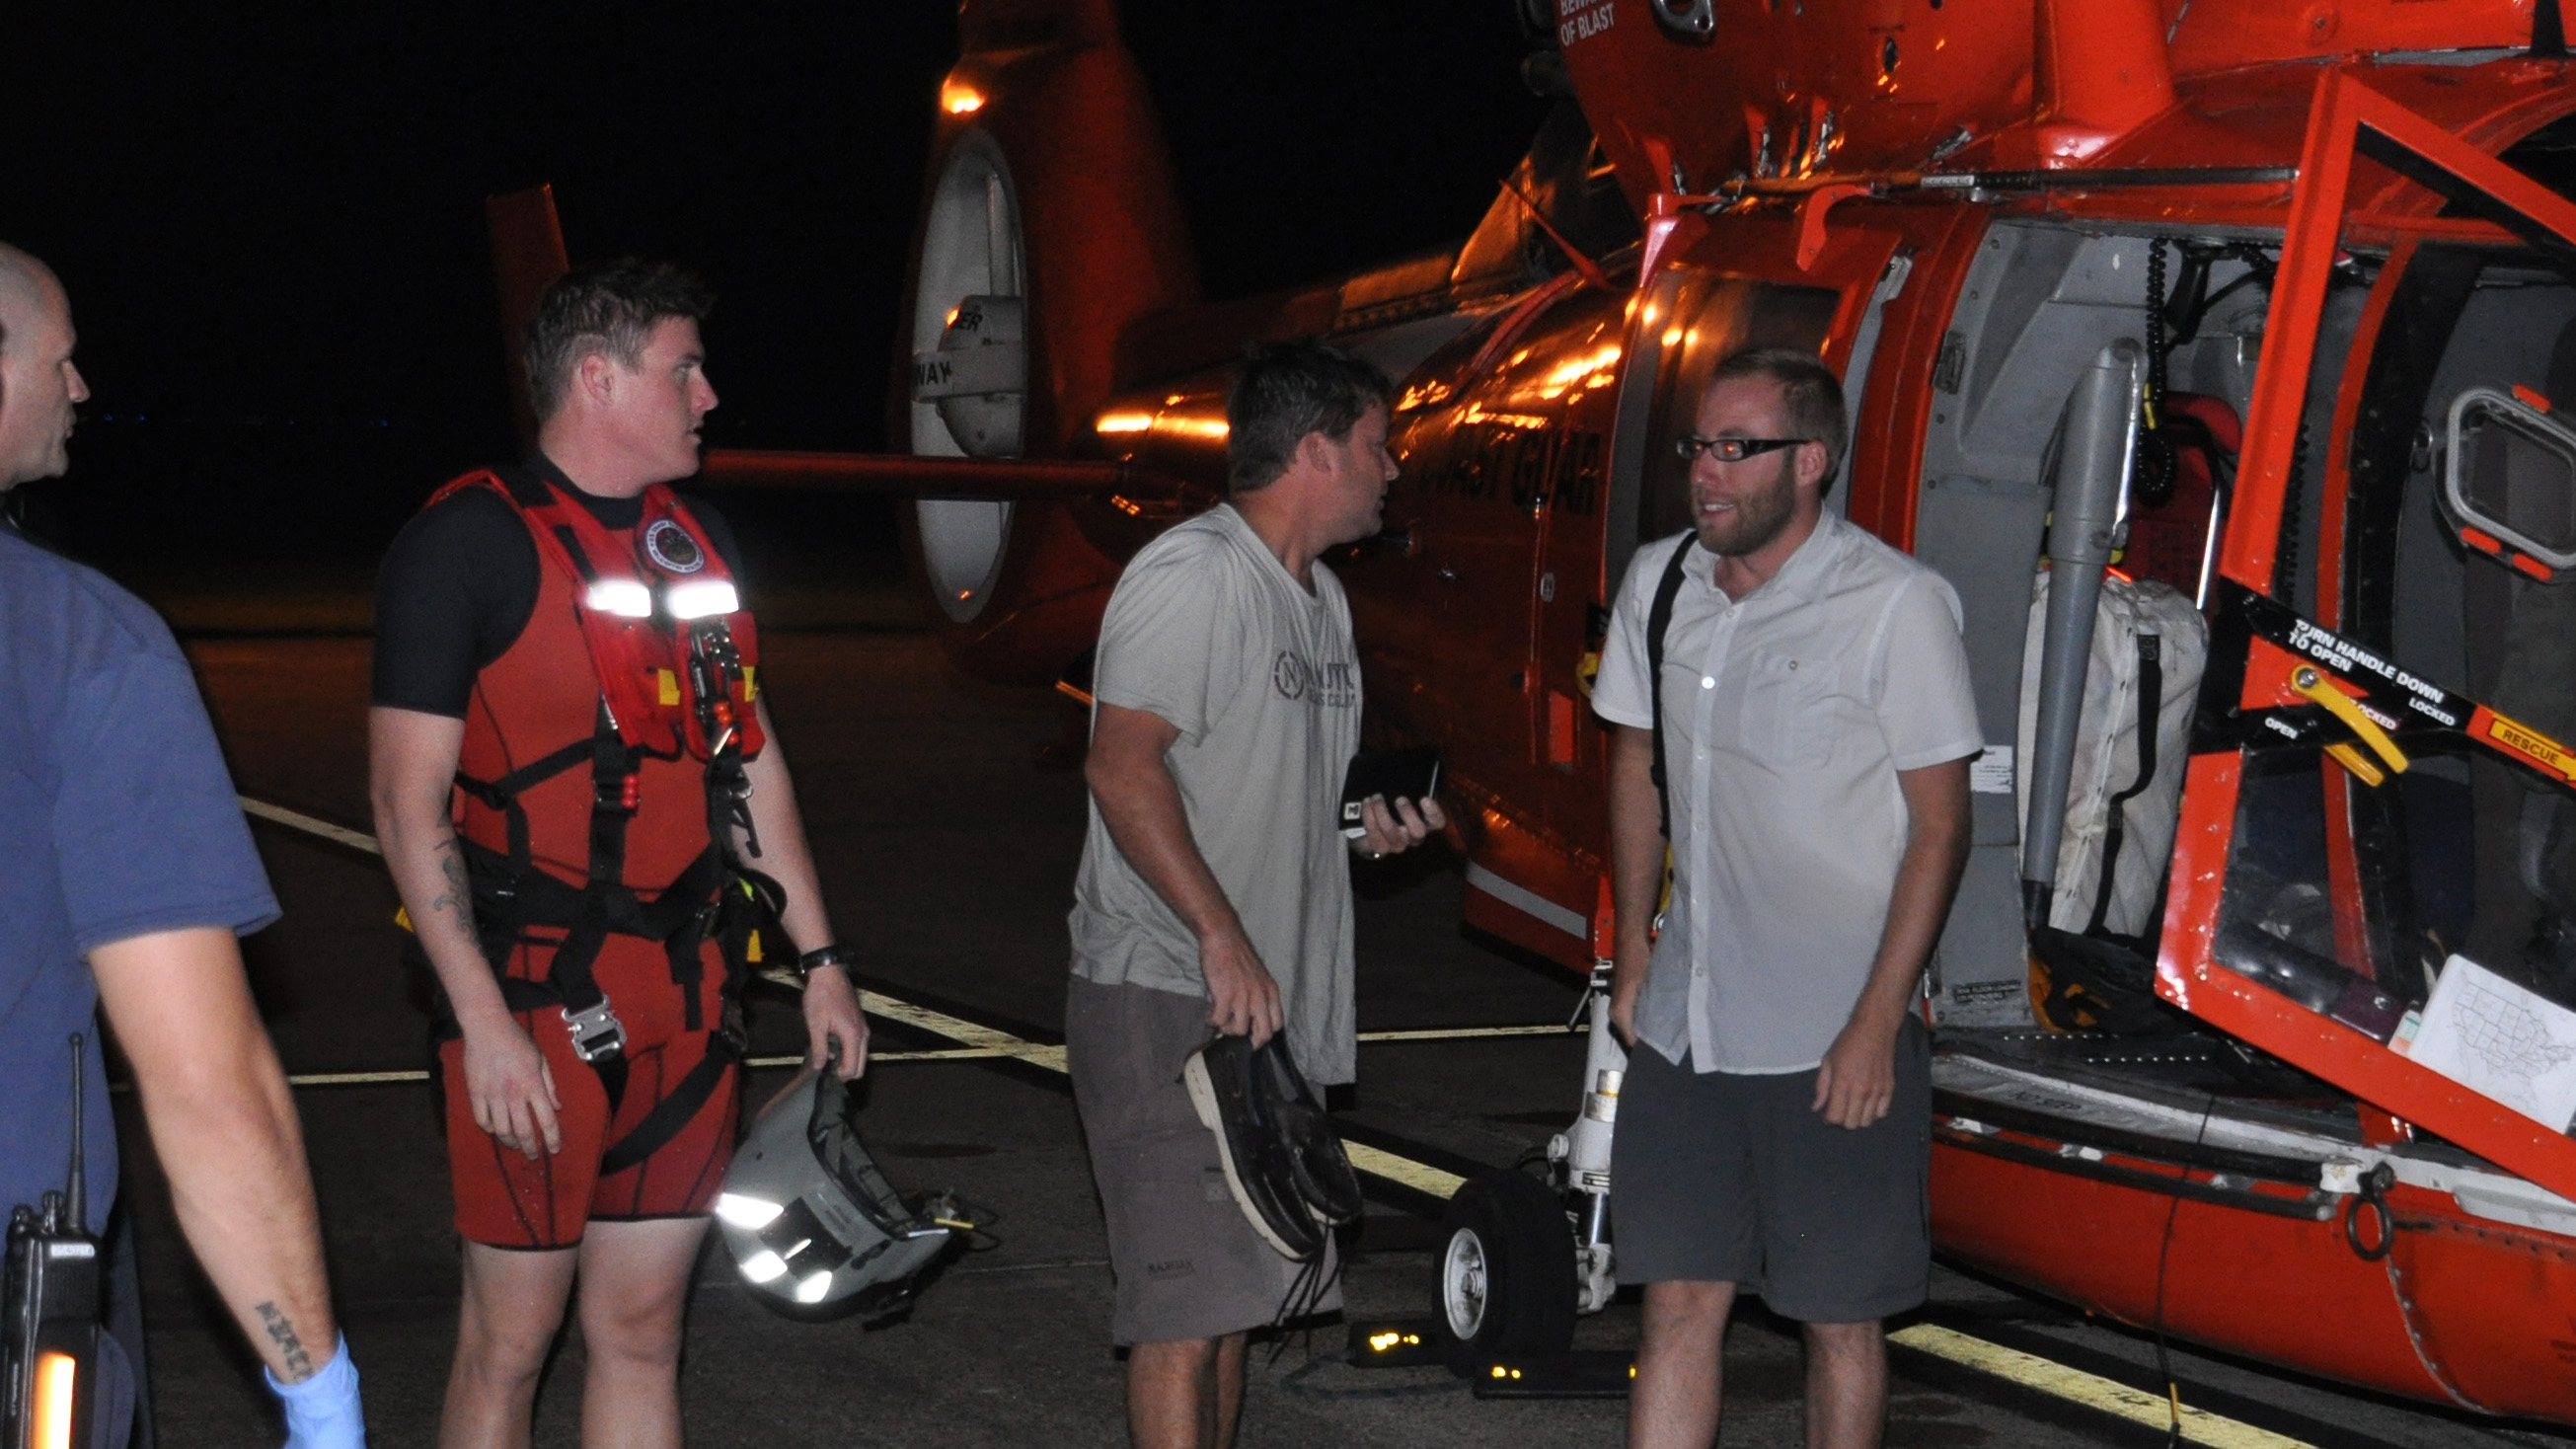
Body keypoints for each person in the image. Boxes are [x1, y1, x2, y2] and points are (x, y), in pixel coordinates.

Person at [368, 260, 866, 1449]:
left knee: (643, 1332)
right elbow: (404, 806)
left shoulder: (696, 541)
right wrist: (481, 1022)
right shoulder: (465, 544)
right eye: (683, 367)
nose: (707, 394)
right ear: (598, 377)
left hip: (691, 1002)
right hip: (535, 1006)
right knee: (511, 1341)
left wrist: (823, 958)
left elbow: (749, 763)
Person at [0, 244, 365, 1446]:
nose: (82, 388)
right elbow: (208, 1089)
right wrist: (322, 1403)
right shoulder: (80, 645)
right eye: (60, 358)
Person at [1592, 349, 1979, 1449]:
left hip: (1832, 1032)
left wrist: (1874, 1023)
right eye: (1698, 447)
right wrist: (1631, 955)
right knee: (1675, 1299)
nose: (1705, 474)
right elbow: (1633, 766)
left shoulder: (1896, 605)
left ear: (1810, 462)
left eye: (1736, 448)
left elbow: (1941, 826)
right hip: (1686, 1021)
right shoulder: (1660, 584)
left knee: (1839, 1319)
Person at [1067, 339, 1446, 1449]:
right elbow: (1121, 763)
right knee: (1183, 1314)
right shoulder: (1194, 575)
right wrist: (1222, 937)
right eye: (1378, 447)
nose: (1392, 471)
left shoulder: (1320, 599)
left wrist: (1363, 832)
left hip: (1265, 1016)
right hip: (1172, 991)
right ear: (1316, 449)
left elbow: (1262, 792)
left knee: (1236, 1310)